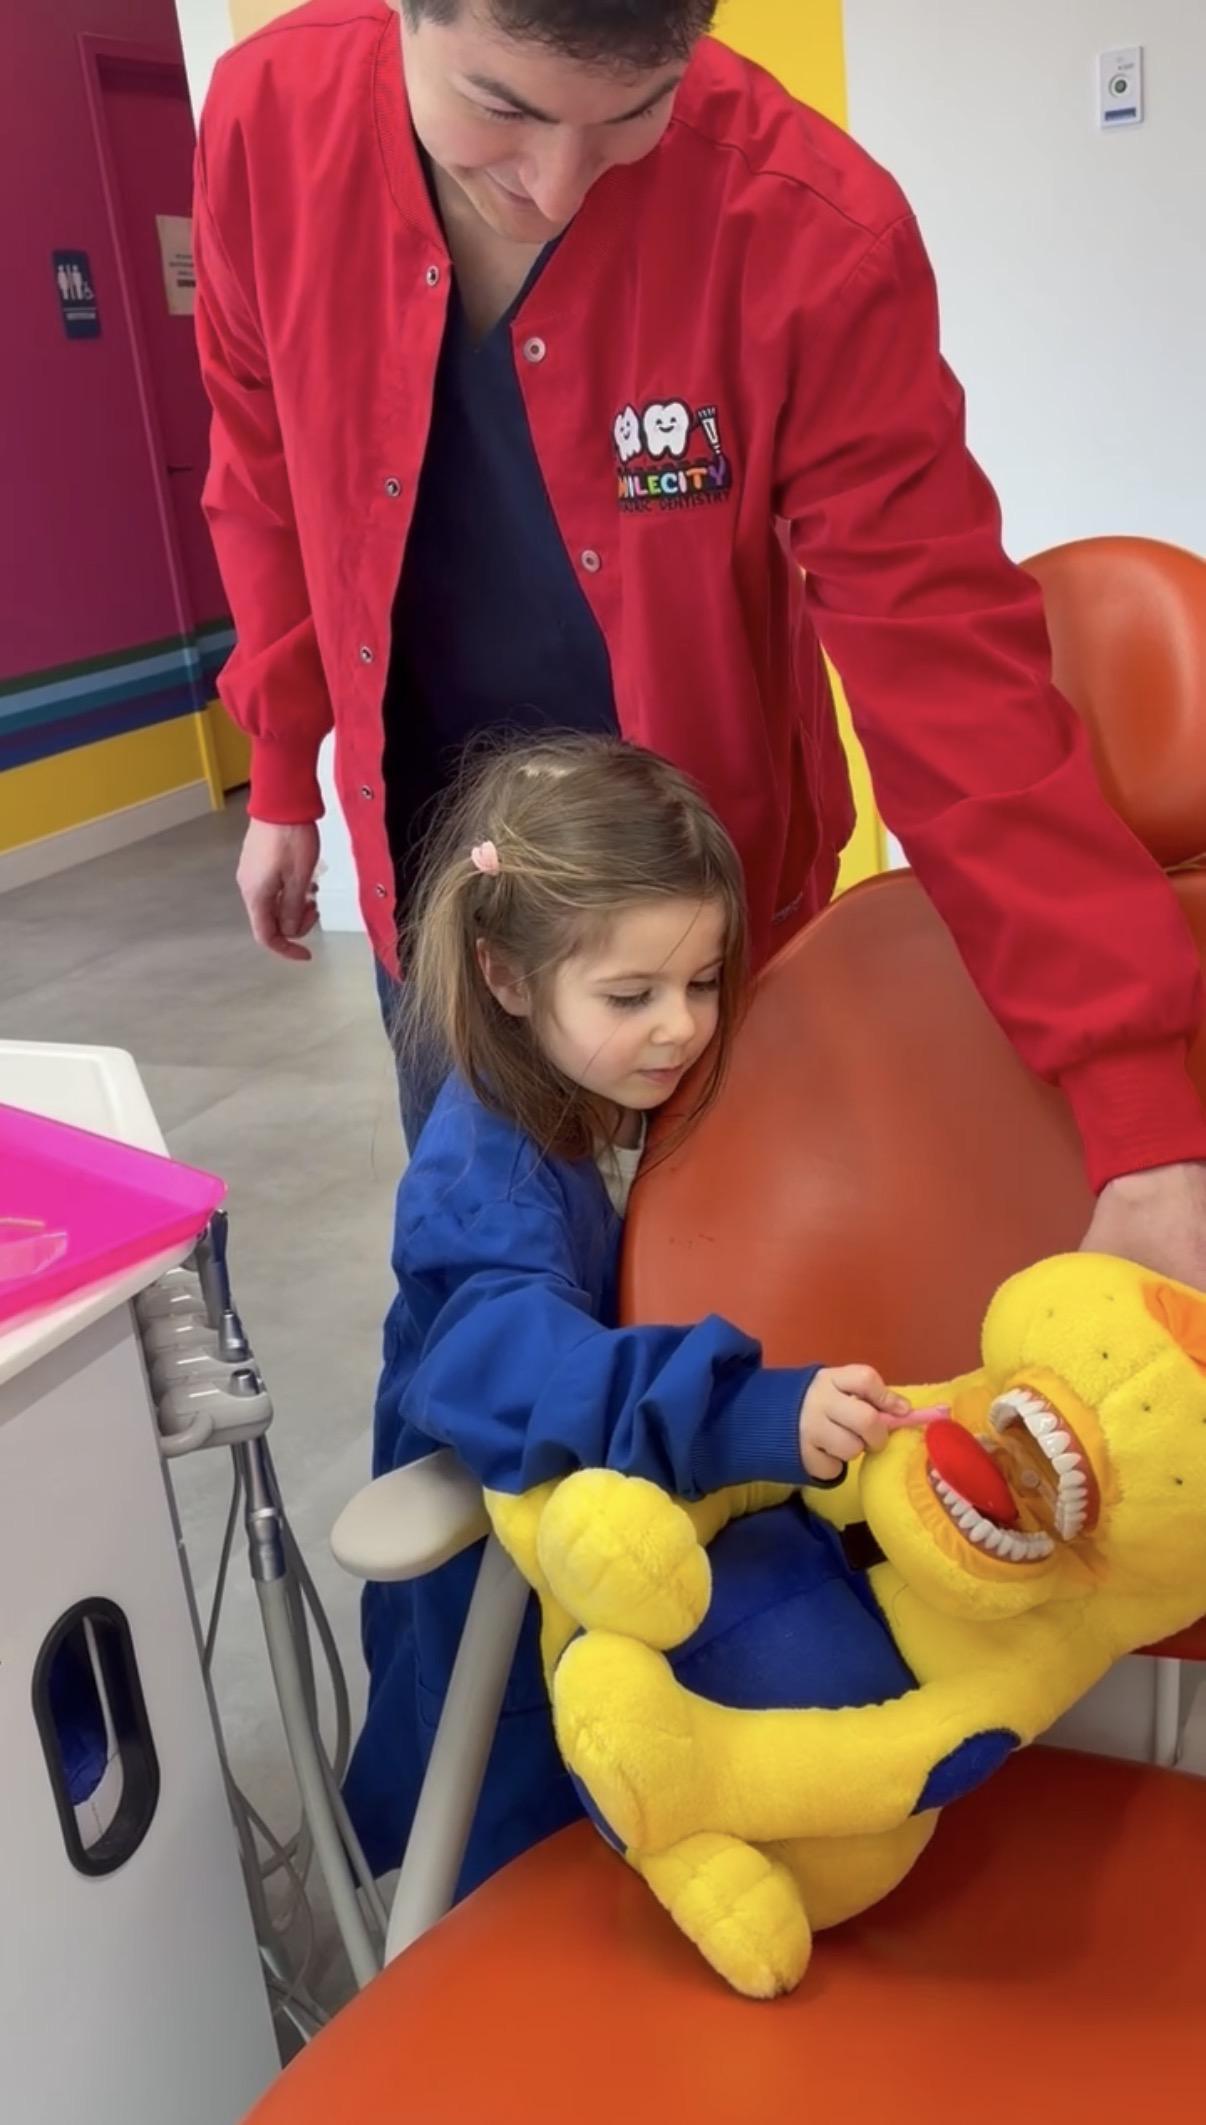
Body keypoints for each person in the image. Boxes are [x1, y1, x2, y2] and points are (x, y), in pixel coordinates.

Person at [195, 3, 1206, 1271]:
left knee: (730, 1314)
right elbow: (262, 464)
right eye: (502, 106)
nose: (557, 185)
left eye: (636, 112)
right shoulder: (261, 122)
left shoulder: (808, 230)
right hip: (450, 893)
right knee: (498, 1307)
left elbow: (951, 667)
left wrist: (1141, 1116)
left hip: (708, 916)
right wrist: (284, 769)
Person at [341, 733, 912, 1889]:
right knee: (532, 1861)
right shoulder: (480, 1179)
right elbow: (517, 1365)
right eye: (632, 994)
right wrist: (733, 1411)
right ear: (506, 978)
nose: (680, 1026)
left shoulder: (631, 1083)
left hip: (632, 1537)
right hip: (505, 1597)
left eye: (702, 982)